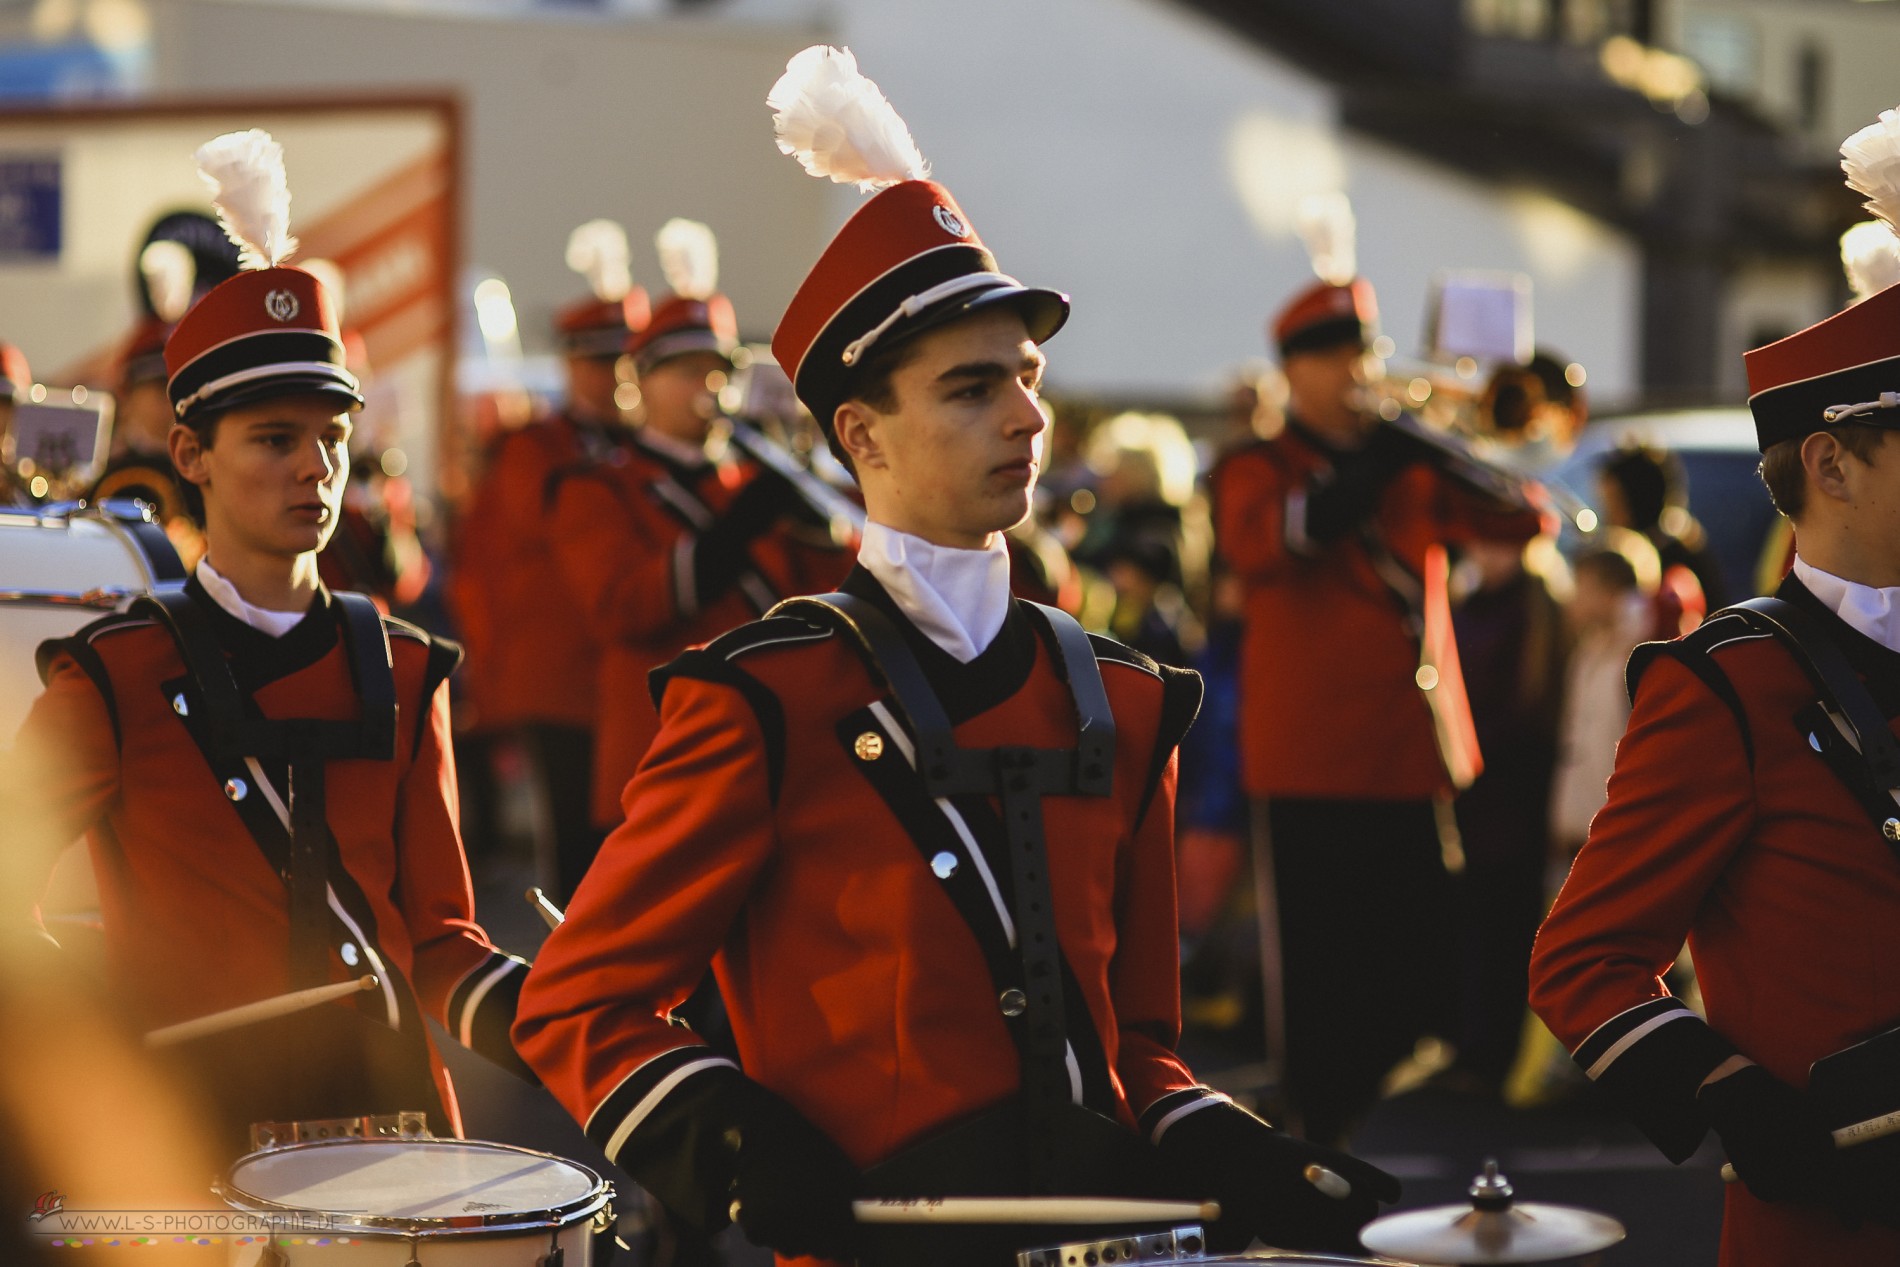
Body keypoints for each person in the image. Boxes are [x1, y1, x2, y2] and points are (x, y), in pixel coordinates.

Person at [516, 46, 1399, 1267]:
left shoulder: (1129, 699)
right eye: (974, 388)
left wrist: (1223, 1141)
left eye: (1028, 380)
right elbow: (579, 1000)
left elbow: (1137, 1043)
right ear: (861, 433)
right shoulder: (772, 697)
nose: (1028, 416)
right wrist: (731, 1145)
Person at [3, 131, 530, 1155]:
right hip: (184, 1145)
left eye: (331, 438)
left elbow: (441, 943)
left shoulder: (409, 670)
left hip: (394, 1129)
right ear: (191, 452)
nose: (316, 470)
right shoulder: (112, 677)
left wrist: (585, 1028)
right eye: (275, 440)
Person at [1527, 237, 1900, 1260]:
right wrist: (1727, 1092)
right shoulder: (1730, 683)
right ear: (1830, 462)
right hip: (1838, 1222)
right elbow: (1583, 959)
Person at [1210, 276, 1545, 1145]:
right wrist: (1373, 468)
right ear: (1293, 370)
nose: (1356, 370)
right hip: (1311, 761)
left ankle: (1387, 1114)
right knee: (1321, 987)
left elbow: (1521, 523)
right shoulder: (1257, 465)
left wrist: (1440, 445)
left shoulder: (1409, 462)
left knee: (1417, 969)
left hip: (1411, 756)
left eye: (1363, 351)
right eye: (1334, 356)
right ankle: (1319, 1139)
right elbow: (1271, 543)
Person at [547, 217, 849, 843]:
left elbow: (830, 606)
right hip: (664, 748)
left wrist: (823, 530)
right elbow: (623, 608)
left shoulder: (756, 477)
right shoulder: (596, 487)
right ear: (640, 383)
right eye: (686, 370)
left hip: (773, 744)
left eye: (720, 370)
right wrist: (739, 527)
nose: (709, 386)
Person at [450, 219, 649, 897]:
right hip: (559, 675)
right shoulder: (536, 448)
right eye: (600, 359)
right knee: (575, 850)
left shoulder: (652, 449)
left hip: (634, 670)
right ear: (570, 363)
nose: (618, 375)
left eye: (630, 358)